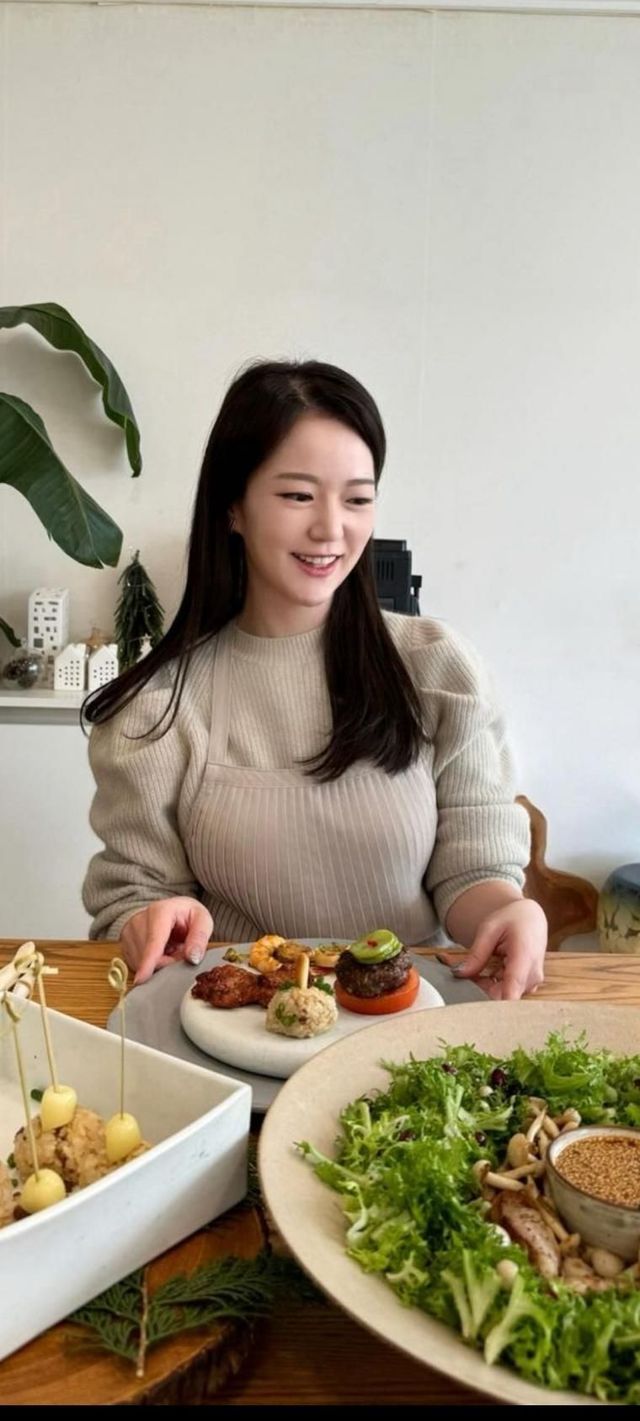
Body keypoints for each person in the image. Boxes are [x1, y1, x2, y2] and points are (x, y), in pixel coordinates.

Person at [82, 359, 546, 998]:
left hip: (409, 1022)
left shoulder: (437, 669)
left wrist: (507, 912)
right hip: (233, 1027)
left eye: (357, 498)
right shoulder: (160, 706)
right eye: (298, 496)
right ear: (233, 508)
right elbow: (135, 896)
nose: (331, 529)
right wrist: (149, 917)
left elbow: (473, 869)